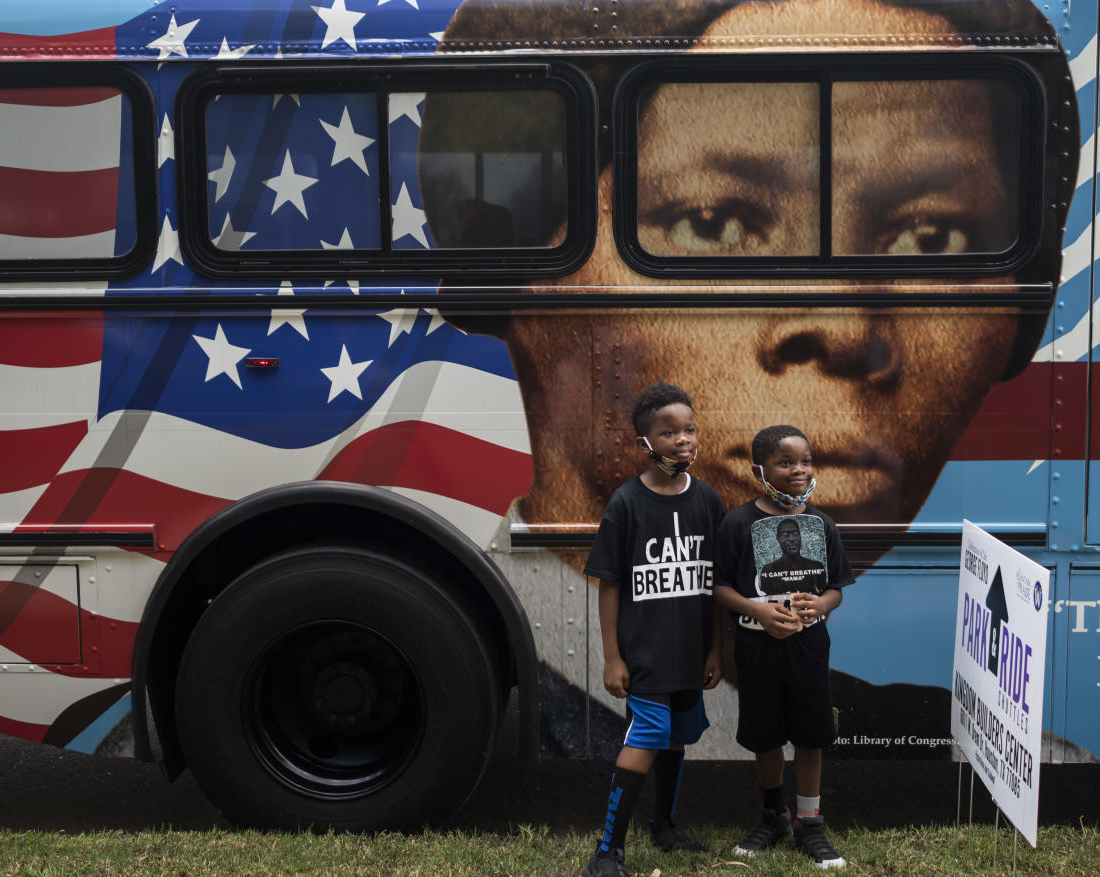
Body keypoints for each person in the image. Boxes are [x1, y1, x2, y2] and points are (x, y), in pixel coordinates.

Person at [421, 0, 1079, 758]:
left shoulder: (1003, 750)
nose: (843, 329)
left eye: (937, 237)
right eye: (715, 223)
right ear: (513, 262)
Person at [580, 382, 725, 876]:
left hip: (689, 652)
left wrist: (715, 650)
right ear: (645, 442)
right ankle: (608, 851)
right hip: (644, 652)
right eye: (669, 432)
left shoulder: (708, 499)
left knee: (676, 737)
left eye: (689, 429)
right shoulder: (626, 503)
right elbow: (609, 584)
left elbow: (716, 583)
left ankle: (664, 827)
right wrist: (613, 656)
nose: (683, 440)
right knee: (650, 730)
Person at [713, 425, 855, 869]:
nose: (799, 470)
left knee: (811, 735)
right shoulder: (737, 523)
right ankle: (773, 817)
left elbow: (836, 589)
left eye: (806, 461)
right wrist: (759, 612)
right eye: (786, 462)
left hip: (809, 647)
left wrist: (819, 604)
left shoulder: (821, 524)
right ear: (761, 470)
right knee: (766, 734)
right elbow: (718, 588)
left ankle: (810, 825)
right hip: (756, 650)